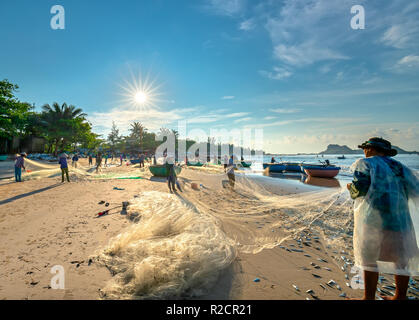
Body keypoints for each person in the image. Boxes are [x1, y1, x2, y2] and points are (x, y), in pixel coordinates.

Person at [347, 137, 419, 300]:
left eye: (365, 149)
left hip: (374, 220)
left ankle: (369, 298)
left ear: (371, 149)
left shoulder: (365, 163)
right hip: (400, 221)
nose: (364, 152)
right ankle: (400, 296)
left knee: (369, 259)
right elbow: (416, 190)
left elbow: (360, 190)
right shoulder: (400, 167)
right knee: (401, 259)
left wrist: (350, 188)